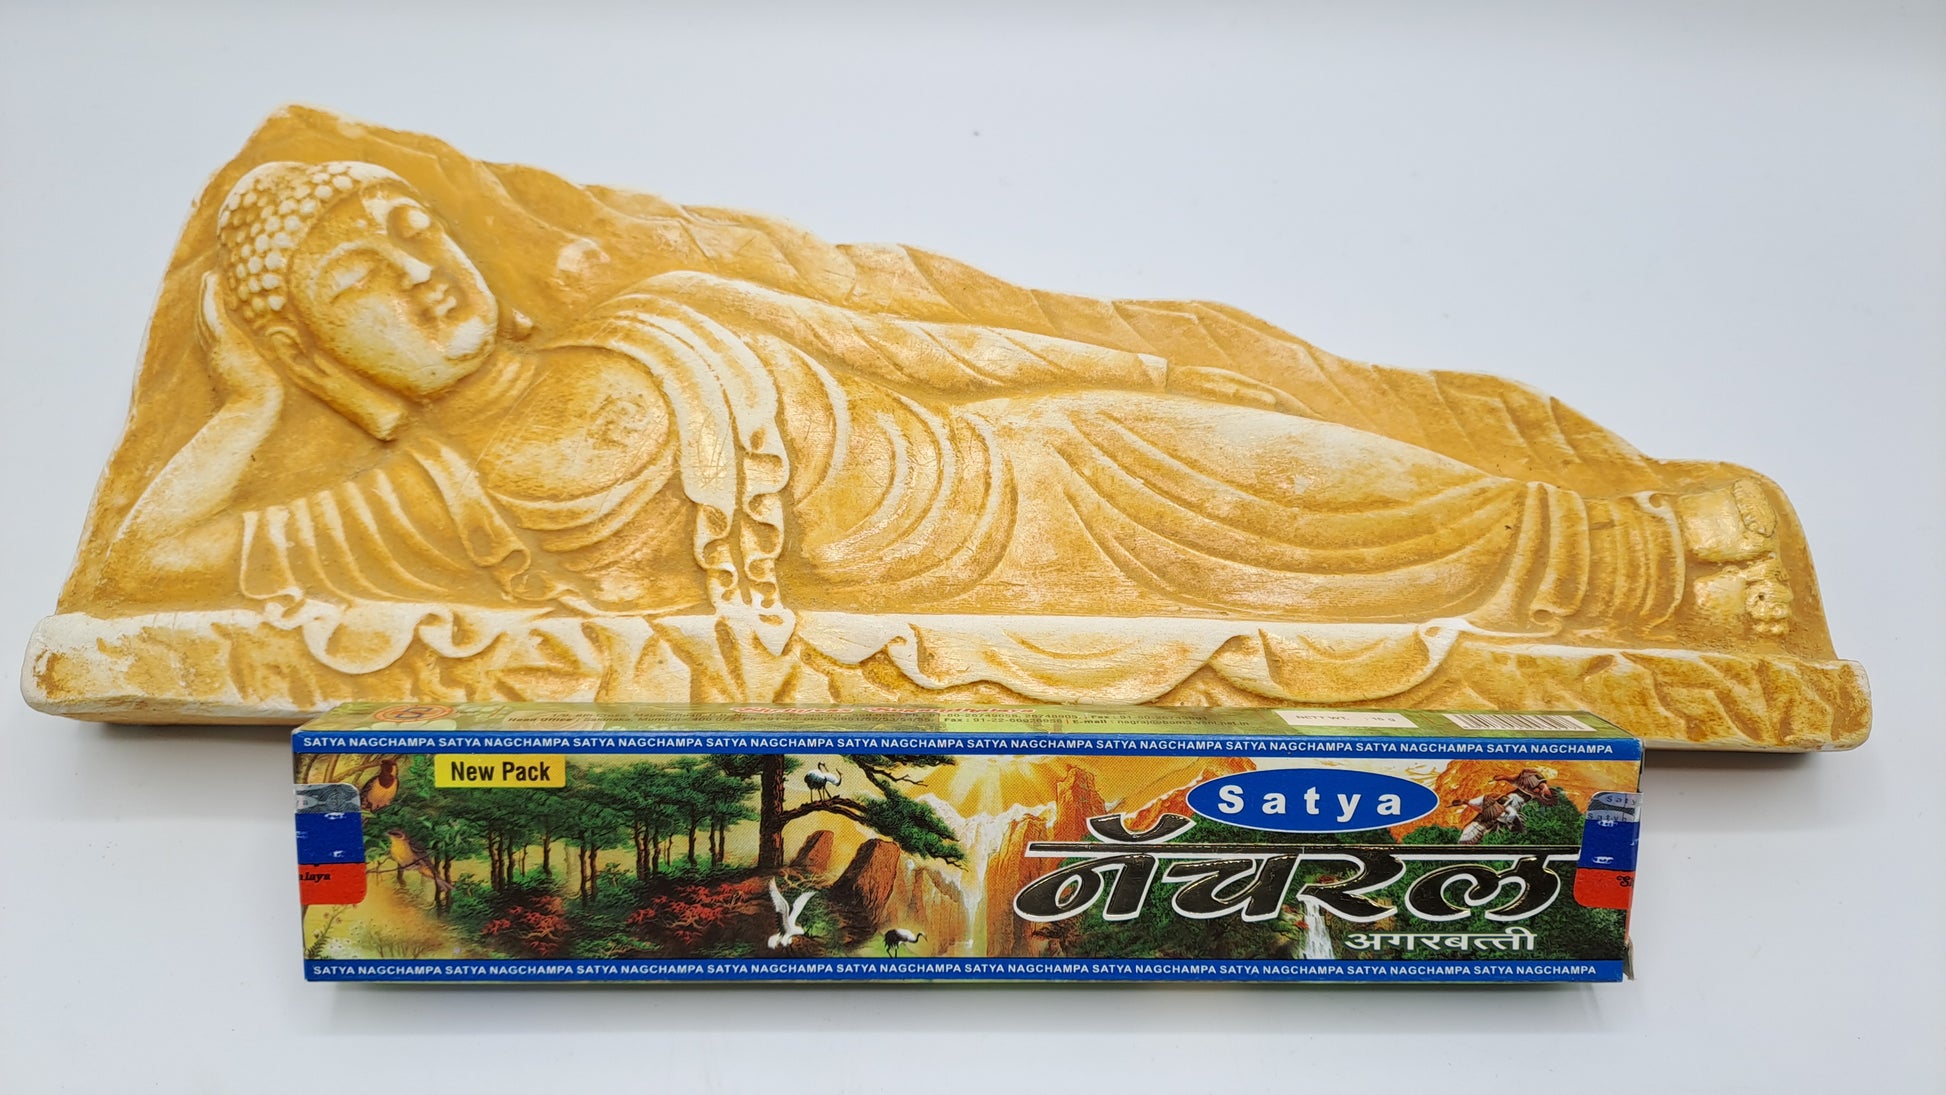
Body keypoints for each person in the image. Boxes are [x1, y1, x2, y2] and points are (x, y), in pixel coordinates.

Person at [99, 161, 1794, 660]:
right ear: (317, 352)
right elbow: (155, 567)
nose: (420, 271)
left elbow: (912, 345)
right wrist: (244, 403)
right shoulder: (428, 507)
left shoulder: (653, 312)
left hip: (1041, 462)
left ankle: (1660, 554)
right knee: (1350, 589)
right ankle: (1668, 588)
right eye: (358, 276)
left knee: (1346, 495)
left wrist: (1149, 374)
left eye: (419, 230)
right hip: (972, 592)